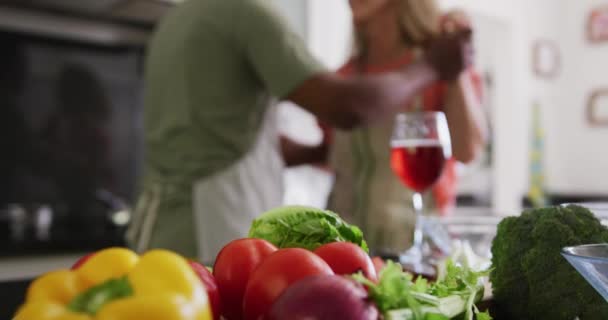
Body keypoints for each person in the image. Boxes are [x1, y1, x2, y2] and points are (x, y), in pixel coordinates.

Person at [126, 0, 472, 263]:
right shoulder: (246, 15)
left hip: (160, 231)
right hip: (217, 231)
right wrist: (433, 66)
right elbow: (349, 108)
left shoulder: (176, 20)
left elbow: (217, 135)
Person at [326, 0, 487, 256]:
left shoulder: (438, 63)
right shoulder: (344, 79)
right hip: (346, 251)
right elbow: (330, 157)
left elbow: (467, 150)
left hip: (422, 254)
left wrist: (453, 66)